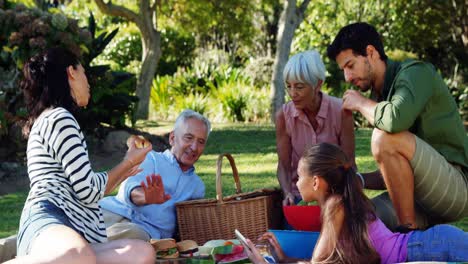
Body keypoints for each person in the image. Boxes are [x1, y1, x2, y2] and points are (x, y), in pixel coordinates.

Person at [7, 47, 155, 264]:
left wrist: (129, 163)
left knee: (141, 252)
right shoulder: (59, 118)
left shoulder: (55, 117)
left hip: (77, 231)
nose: (88, 82)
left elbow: (89, 188)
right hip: (51, 220)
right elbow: (89, 190)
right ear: (72, 72)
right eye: (85, 73)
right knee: (79, 255)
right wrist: (129, 160)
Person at [326, 22, 468, 232]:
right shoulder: (383, 95)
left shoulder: (416, 73)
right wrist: (357, 180)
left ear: (371, 52)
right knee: (352, 221)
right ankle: (411, 234)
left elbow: (394, 120)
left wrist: (361, 103)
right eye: (343, 70)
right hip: (419, 198)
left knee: (383, 137)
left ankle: (408, 237)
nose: (347, 77)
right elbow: (398, 172)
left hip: (455, 190)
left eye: (350, 65)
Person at [246, 143, 468, 264]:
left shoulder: (336, 206)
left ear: (315, 181)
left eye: (298, 176)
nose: (295, 181)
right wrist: (284, 259)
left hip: (431, 249)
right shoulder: (340, 203)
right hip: (434, 244)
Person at [98, 109, 210, 241]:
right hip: (114, 212)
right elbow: (130, 189)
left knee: (133, 234)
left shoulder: (197, 187)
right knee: (78, 221)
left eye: (201, 142)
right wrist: (146, 196)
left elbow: (190, 226)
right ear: (172, 138)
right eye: (189, 138)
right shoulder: (151, 158)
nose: (194, 147)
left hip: (144, 231)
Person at [276, 50, 355, 206]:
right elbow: (283, 166)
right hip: (300, 198)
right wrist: (287, 193)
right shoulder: (283, 116)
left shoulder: (341, 111)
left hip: (335, 197)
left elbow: (349, 163)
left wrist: (343, 199)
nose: (292, 93)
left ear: (318, 84)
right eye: (288, 86)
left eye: (299, 87)